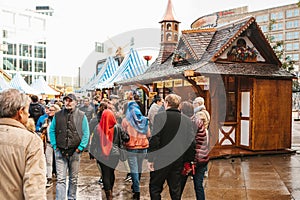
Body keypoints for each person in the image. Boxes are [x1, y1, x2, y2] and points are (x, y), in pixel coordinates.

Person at [0, 88, 46, 199]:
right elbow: (34, 190)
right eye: (27, 111)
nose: (29, 114)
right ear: (20, 112)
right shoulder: (31, 141)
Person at [147, 94, 195, 200]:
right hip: (178, 159)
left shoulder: (160, 117)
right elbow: (191, 142)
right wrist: (188, 160)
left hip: (161, 159)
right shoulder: (186, 120)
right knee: (175, 189)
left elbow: (155, 139)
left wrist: (151, 159)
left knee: (155, 187)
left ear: (167, 103)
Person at [49, 93, 90, 200]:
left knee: (73, 179)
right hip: (60, 151)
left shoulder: (82, 115)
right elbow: (52, 130)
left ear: (75, 102)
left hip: (75, 152)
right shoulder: (57, 115)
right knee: (61, 179)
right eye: (66, 100)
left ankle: (72, 198)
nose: (68, 102)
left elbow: (86, 133)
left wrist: (80, 148)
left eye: (70, 100)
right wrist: (55, 146)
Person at [180, 101, 209, 200]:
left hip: (192, 159)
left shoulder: (188, 123)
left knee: (179, 186)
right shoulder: (198, 120)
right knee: (198, 186)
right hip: (203, 157)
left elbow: (190, 144)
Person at [122, 101, 151, 200]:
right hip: (143, 147)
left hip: (131, 147)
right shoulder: (144, 120)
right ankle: (135, 185)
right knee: (139, 168)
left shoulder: (126, 120)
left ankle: (136, 189)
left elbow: (123, 134)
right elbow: (149, 134)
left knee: (133, 169)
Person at [96, 109, 121, 200]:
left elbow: (94, 142)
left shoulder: (98, 128)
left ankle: (108, 195)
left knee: (105, 174)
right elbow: (125, 137)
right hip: (115, 155)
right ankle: (111, 190)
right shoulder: (117, 127)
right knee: (111, 173)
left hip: (102, 155)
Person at [42, 104, 61, 187]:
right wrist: (43, 127)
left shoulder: (59, 120)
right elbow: (41, 129)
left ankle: (60, 177)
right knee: (48, 161)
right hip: (49, 143)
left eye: (51, 110)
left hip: (57, 143)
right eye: (49, 110)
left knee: (58, 160)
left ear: (56, 111)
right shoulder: (47, 120)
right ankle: (49, 178)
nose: (49, 111)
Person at [193, 97, 211, 178]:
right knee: (204, 152)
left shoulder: (200, 113)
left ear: (199, 104)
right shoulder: (205, 112)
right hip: (204, 133)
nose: (193, 104)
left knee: (200, 153)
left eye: (195, 103)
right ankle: (204, 171)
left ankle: (202, 171)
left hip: (201, 134)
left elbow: (197, 125)